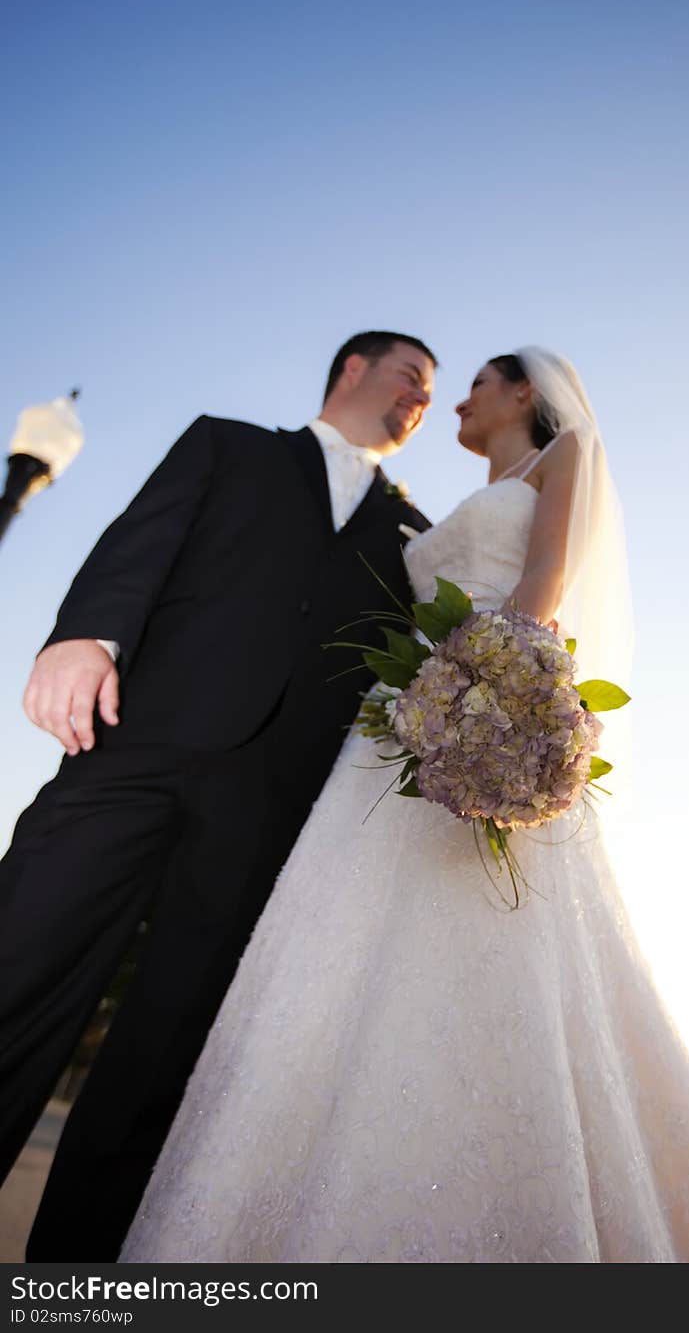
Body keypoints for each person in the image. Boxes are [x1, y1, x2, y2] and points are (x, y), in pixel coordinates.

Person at [119, 348, 689, 1263]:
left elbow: (546, 584)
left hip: (486, 693)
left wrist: (494, 690)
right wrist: (431, 699)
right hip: (402, 724)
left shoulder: (566, 455)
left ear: (525, 391)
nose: (456, 402)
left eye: (474, 382)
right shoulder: (426, 511)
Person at [0, 330, 437, 1261]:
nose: (420, 400)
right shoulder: (227, 443)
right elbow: (139, 544)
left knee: (163, 1063)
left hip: (268, 812)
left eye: (432, 395)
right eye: (410, 376)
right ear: (352, 370)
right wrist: (84, 636)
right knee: (16, 963)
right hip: (135, 746)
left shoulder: (415, 537)